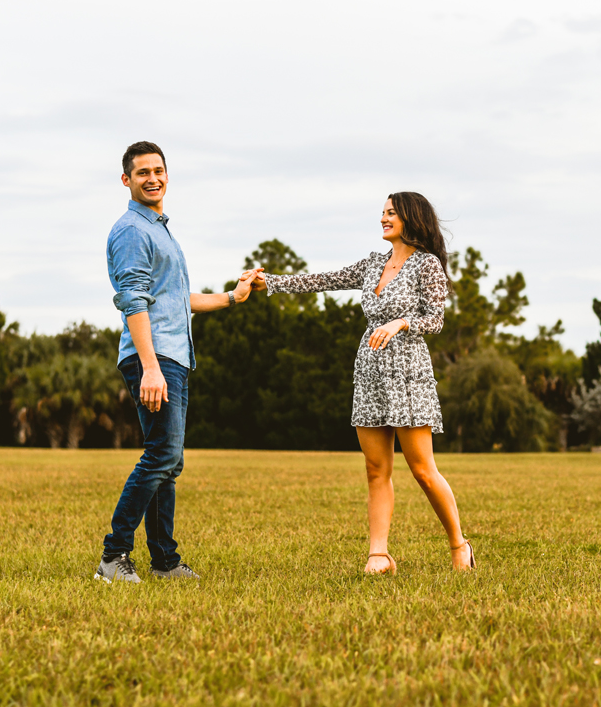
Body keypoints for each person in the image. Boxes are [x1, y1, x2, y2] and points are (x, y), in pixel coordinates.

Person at [250, 192, 475, 573]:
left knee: (422, 468)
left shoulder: (428, 266)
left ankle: (459, 544)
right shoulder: (373, 264)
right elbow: (323, 279)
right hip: (370, 370)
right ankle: (379, 554)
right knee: (375, 468)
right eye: (383, 212)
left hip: (408, 372)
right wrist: (268, 282)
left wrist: (400, 322)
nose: (384, 218)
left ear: (410, 217)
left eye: (391, 213)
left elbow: (435, 320)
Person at [96, 141, 259, 585]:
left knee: (167, 461)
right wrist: (149, 365)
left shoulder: (160, 230)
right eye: (142, 172)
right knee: (163, 455)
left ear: (167, 174)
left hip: (173, 356)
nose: (152, 178)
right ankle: (113, 557)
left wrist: (231, 297)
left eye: (158, 170)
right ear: (126, 180)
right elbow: (132, 299)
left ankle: (165, 562)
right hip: (155, 358)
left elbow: (173, 300)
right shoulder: (132, 230)